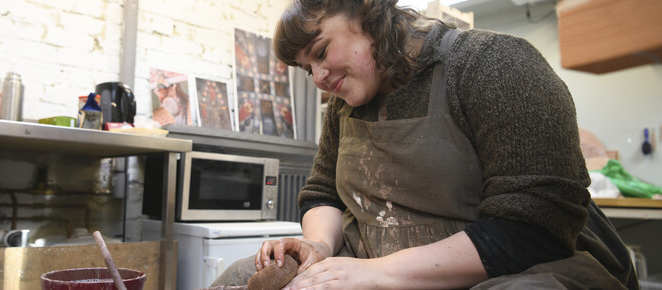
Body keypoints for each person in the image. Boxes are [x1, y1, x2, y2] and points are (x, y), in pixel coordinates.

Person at [211, 0, 638, 289]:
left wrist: (374, 274)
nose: (319, 77)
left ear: (369, 13)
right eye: (308, 69)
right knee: (238, 277)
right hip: (368, 261)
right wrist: (319, 248)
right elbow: (323, 192)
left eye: (322, 51)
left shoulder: (493, 65)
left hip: (508, 270)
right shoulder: (344, 106)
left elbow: (532, 227)